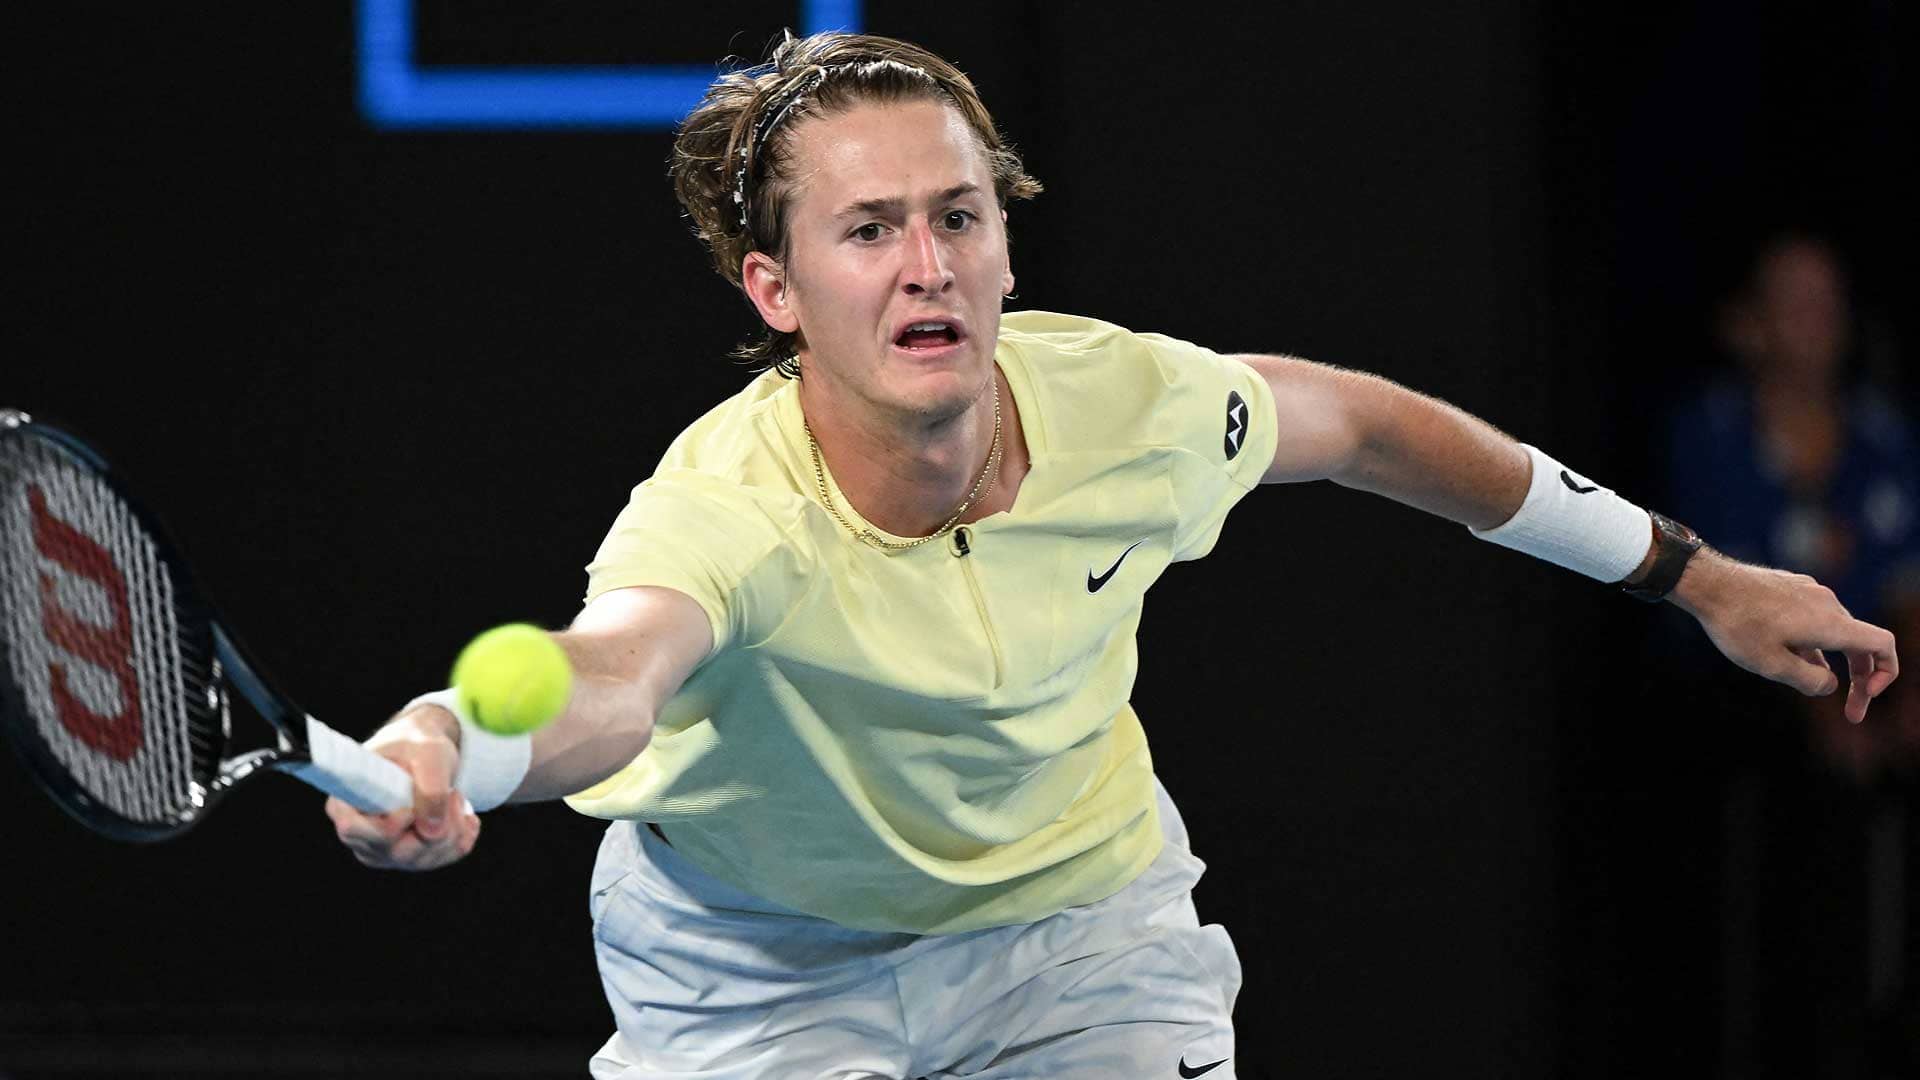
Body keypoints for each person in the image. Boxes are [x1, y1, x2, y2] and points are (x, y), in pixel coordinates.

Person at [325, 33, 1900, 1079]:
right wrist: (460, 739)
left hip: (1072, 931)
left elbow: (1365, 426)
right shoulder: (727, 511)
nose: (928, 264)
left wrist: (1697, 577)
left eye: (960, 217)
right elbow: (613, 676)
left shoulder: (1128, 406)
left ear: (1008, 245)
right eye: (869, 230)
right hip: (758, 969)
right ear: (775, 290)